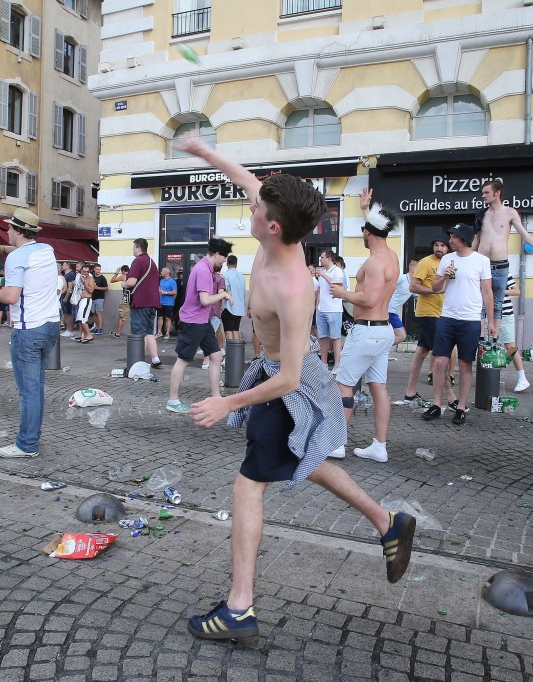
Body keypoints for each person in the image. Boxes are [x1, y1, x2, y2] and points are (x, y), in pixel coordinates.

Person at [174, 132, 415, 641]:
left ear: (273, 225)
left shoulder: (293, 286)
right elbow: (247, 179)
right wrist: (205, 152)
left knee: (249, 483)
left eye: (258, 206)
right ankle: (385, 520)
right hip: (274, 376)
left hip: (292, 386)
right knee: (305, 462)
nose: (251, 203)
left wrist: (227, 402)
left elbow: (288, 375)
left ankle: (239, 607)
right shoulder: (276, 231)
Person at [329, 189, 400, 463]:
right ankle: (379, 446)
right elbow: (374, 231)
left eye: (363, 230)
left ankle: (336, 444)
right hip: (383, 331)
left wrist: (342, 293)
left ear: (368, 234)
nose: (362, 234)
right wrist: (365, 209)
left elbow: (369, 299)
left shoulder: (374, 263)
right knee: (378, 387)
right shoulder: (390, 256)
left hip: (367, 329)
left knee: (343, 384)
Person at [0, 208, 60, 459]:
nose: (6, 231)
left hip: (28, 330)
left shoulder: (16, 259)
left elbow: (11, 296)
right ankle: (32, 438)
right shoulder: (46, 250)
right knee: (36, 388)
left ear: (18, 231)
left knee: (29, 391)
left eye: (9, 228)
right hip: (50, 327)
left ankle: (26, 445)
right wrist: (3, 248)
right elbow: (25, 252)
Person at [422, 224, 497, 425]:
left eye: (453, 237)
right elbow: (435, 287)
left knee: (465, 364)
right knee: (439, 362)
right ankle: (437, 404)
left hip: (471, 319)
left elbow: (488, 292)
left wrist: (491, 321)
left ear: (463, 239)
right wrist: (444, 274)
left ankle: (461, 407)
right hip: (447, 317)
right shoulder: (447, 259)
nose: (450, 240)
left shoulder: (481, 261)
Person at [474, 179, 533, 320]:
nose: (483, 195)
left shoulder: (509, 212)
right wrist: (464, 259)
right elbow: (476, 240)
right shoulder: (481, 213)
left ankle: (493, 338)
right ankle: (481, 338)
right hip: (482, 263)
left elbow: (525, 236)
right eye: (482, 193)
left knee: (497, 303)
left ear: (497, 193)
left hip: (500, 264)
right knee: (480, 301)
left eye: (486, 192)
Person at [166, 238, 234, 414]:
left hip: (203, 321)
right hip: (193, 322)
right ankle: (173, 400)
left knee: (217, 356)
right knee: (183, 360)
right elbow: (205, 301)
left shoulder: (206, 268)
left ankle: (216, 397)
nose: (224, 262)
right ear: (217, 254)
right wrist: (223, 294)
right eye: (224, 259)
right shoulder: (203, 270)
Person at [402, 239, 457, 407]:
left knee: (420, 353)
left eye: (442, 245)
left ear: (447, 247)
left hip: (443, 313)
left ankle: (410, 393)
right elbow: (413, 287)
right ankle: (451, 396)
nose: (438, 248)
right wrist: (435, 290)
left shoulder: (450, 262)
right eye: (435, 245)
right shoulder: (426, 262)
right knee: (441, 354)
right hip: (428, 313)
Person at [122, 239, 163, 368]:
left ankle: (136, 363)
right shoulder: (152, 262)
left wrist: (123, 283)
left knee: (138, 333)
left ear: (138, 248)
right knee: (149, 332)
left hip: (140, 302)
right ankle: (155, 359)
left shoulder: (138, 261)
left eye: (133, 247)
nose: (132, 250)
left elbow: (131, 282)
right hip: (153, 303)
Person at [499, 275, 530, 392]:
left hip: (505, 314)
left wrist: (500, 291)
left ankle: (522, 378)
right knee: (491, 346)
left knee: (510, 346)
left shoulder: (504, 273)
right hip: (489, 314)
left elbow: (516, 291)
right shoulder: (483, 271)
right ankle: (499, 368)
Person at [314, 250, 345, 369]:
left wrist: (323, 275)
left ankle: (337, 364)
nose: (320, 260)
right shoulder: (324, 272)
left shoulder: (337, 271)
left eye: (322, 257)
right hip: (321, 310)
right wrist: (317, 306)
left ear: (329, 259)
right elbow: (320, 291)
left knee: (335, 338)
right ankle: (324, 363)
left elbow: (336, 286)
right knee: (323, 338)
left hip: (334, 310)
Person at [389, 260, 417, 347]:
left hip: (392, 311)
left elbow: (419, 297)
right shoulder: (401, 278)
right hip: (388, 310)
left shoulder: (414, 284)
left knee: (389, 335)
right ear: (414, 272)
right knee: (401, 336)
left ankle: (380, 351)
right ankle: (379, 349)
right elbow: (386, 287)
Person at [222, 255, 247, 343]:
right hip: (240, 308)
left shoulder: (225, 275)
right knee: (235, 330)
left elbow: (226, 291)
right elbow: (244, 293)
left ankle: (230, 353)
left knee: (228, 331)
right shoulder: (241, 276)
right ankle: (237, 353)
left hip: (230, 307)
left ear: (227, 263)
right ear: (236, 264)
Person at [74, 264, 96, 343]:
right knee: (81, 319)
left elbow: (91, 290)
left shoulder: (90, 279)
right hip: (82, 300)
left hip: (87, 300)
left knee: (83, 319)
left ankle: (89, 335)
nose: (86, 273)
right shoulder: (80, 278)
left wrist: (84, 282)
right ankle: (83, 336)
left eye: (87, 271)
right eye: (84, 271)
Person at [157, 268, 178, 339]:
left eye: (162, 271)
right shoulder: (161, 281)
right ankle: (159, 332)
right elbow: (160, 290)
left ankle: (167, 333)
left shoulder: (172, 281)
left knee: (168, 318)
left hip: (169, 303)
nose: (161, 272)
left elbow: (175, 292)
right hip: (161, 302)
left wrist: (165, 292)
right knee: (159, 317)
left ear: (166, 272)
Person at [111, 265, 130, 337]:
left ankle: (118, 333)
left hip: (125, 298)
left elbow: (112, 280)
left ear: (122, 271)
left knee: (121, 317)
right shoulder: (132, 275)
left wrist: (116, 273)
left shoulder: (123, 276)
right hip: (134, 298)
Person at [60, 262, 77, 337]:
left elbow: (70, 287)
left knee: (68, 313)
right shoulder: (66, 275)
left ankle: (70, 330)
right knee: (65, 313)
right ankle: (67, 329)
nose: (62, 266)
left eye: (63, 265)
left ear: (67, 265)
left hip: (68, 297)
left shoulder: (70, 275)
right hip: (63, 296)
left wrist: (67, 297)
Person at [91, 264, 108, 335]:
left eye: (99, 269)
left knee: (98, 312)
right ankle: (96, 327)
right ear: (94, 269)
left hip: (100, 298)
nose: (98, 271)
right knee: (94, 313)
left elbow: (106, 288)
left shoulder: (102, 278)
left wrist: (97, 288)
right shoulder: (92, 276)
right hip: (92, 297)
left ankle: (100, 329)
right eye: (97, 269)